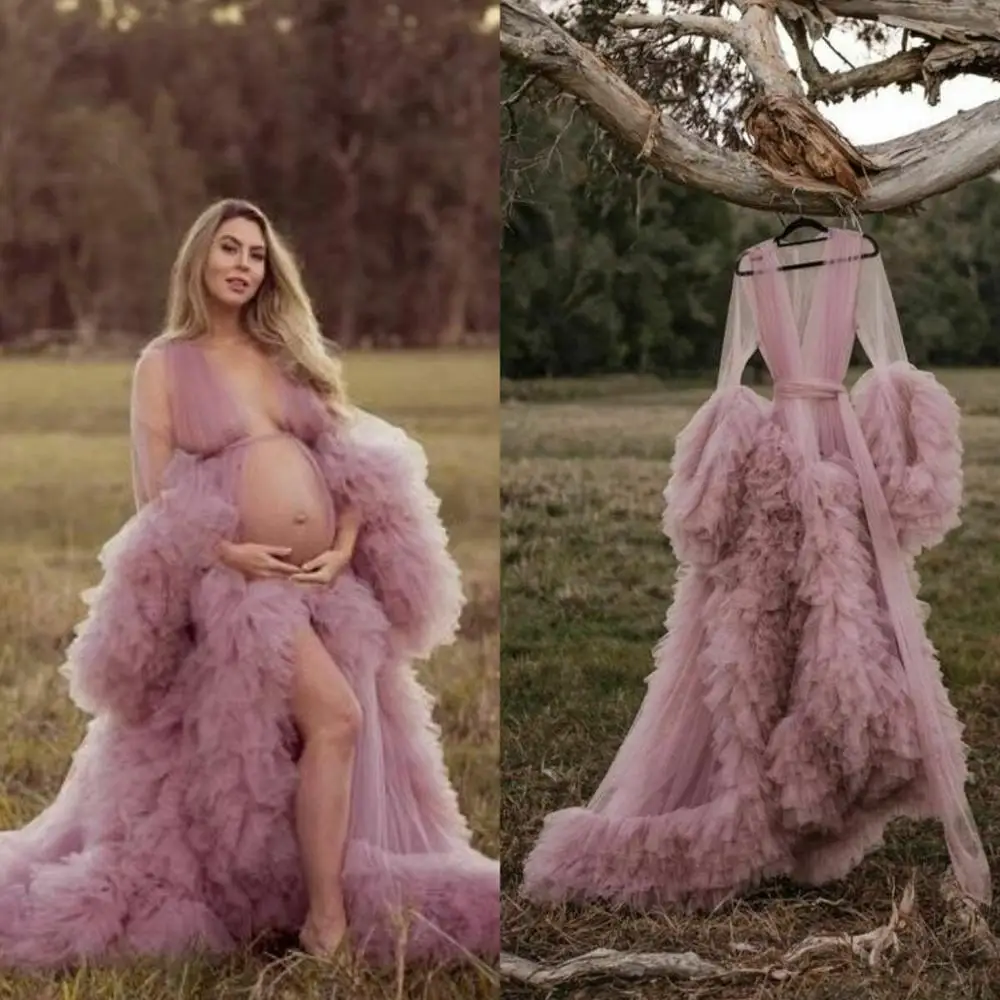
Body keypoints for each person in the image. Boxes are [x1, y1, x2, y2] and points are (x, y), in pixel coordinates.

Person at [0, 198, 499, 968]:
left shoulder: (285, 351)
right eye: (229, 249)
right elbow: (155, 501)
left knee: (330, 725)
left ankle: (304, 890)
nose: (243, 264)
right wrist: (233, 555)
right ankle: (326, 922)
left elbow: (353, 464)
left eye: (256, 254)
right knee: (334, 716)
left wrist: (339, 548)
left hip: (320, 579)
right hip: (235, 586)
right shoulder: (165, 364)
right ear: (199, 259)